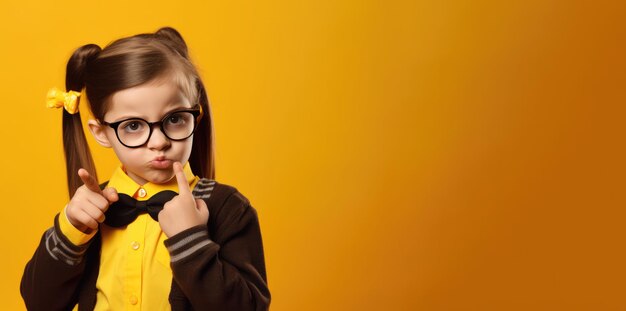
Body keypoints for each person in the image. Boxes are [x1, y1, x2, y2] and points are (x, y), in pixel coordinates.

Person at [20, 27, 271, 311]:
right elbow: (39, 303)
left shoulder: (228, 208)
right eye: (134, 126)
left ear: (195, 116)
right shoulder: (90, 210)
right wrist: (70, 229)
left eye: (175, 118)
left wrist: (191, 242)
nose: (159, 141)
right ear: (101, 132)